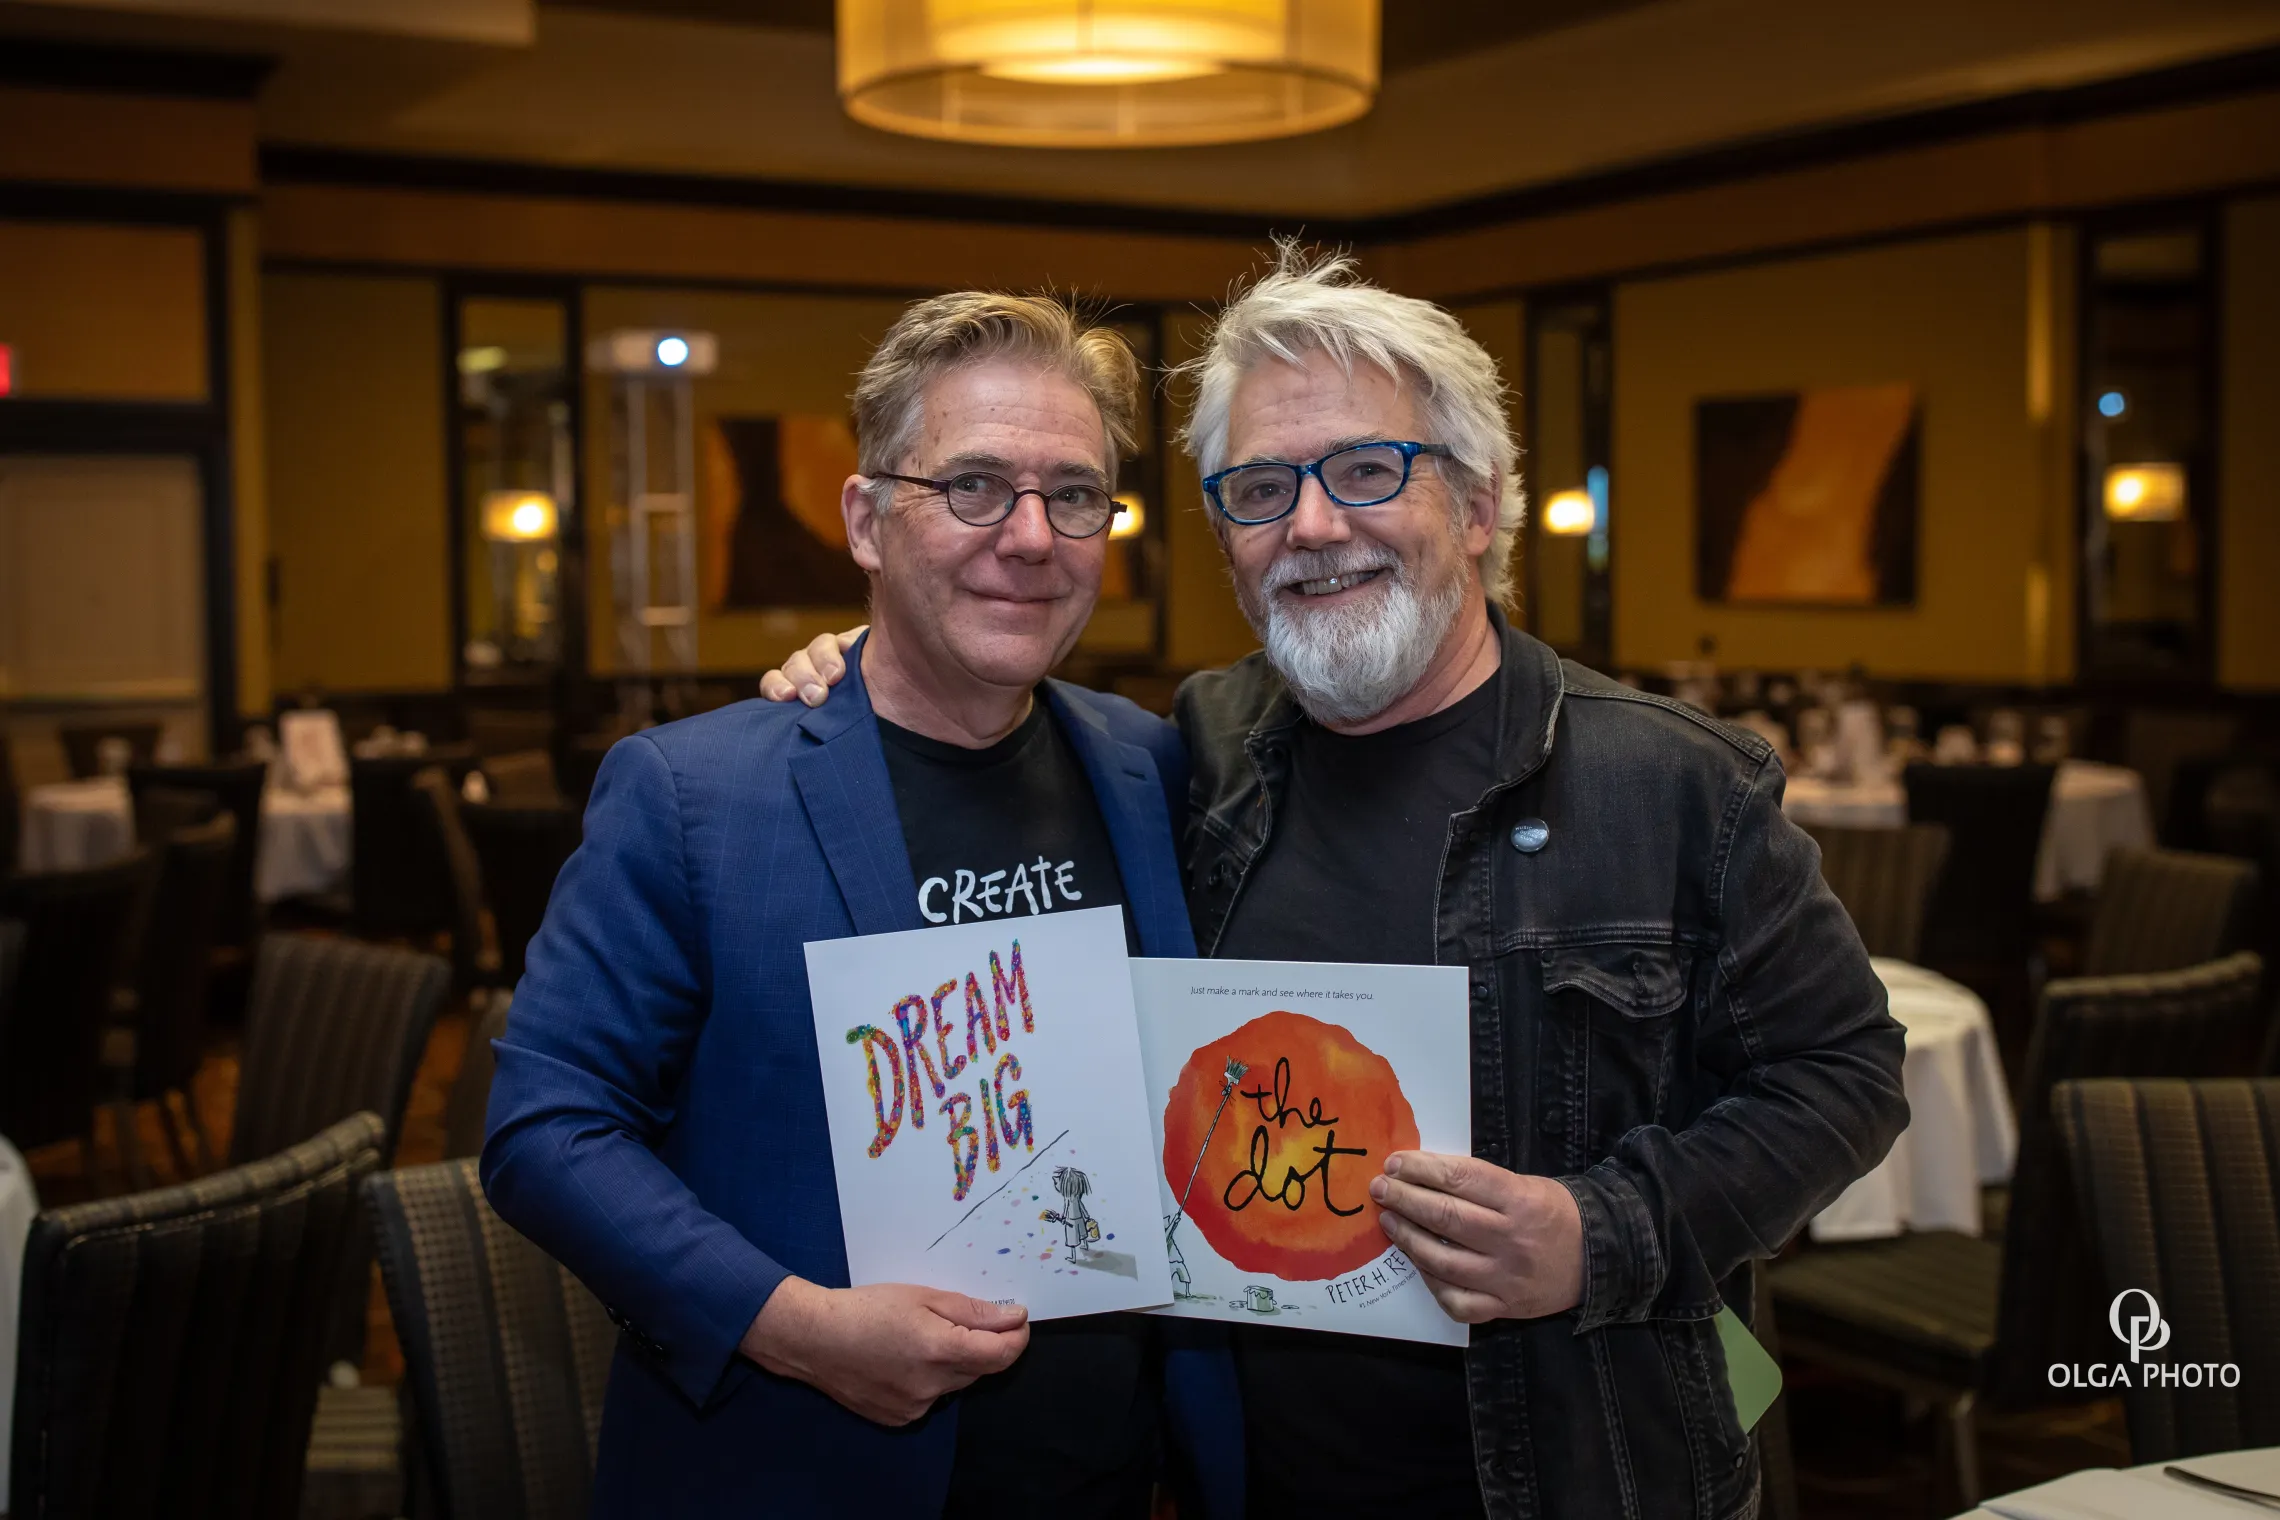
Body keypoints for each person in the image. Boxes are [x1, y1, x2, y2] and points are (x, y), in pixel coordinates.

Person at [760, 247, 1909, 1519]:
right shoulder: (1190, 752)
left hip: (1589, 1473)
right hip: (1257, 1480)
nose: (1312, 524)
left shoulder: (1673, 783)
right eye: (1260, 488)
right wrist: (860, 668)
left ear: (1478, 505)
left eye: (1367, 469)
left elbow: (1848, 1072)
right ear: (1227, 539)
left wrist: (1605, 1233)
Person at [483, 291, 1236, 1518]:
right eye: (976, 486)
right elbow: (545, 1129)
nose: (1032, 536)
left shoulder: (1147, 763)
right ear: (867, 519)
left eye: (1077, 494)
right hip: (803, 1465)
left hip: (1110, 1472)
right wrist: (796, 1327)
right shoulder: (696, 793)